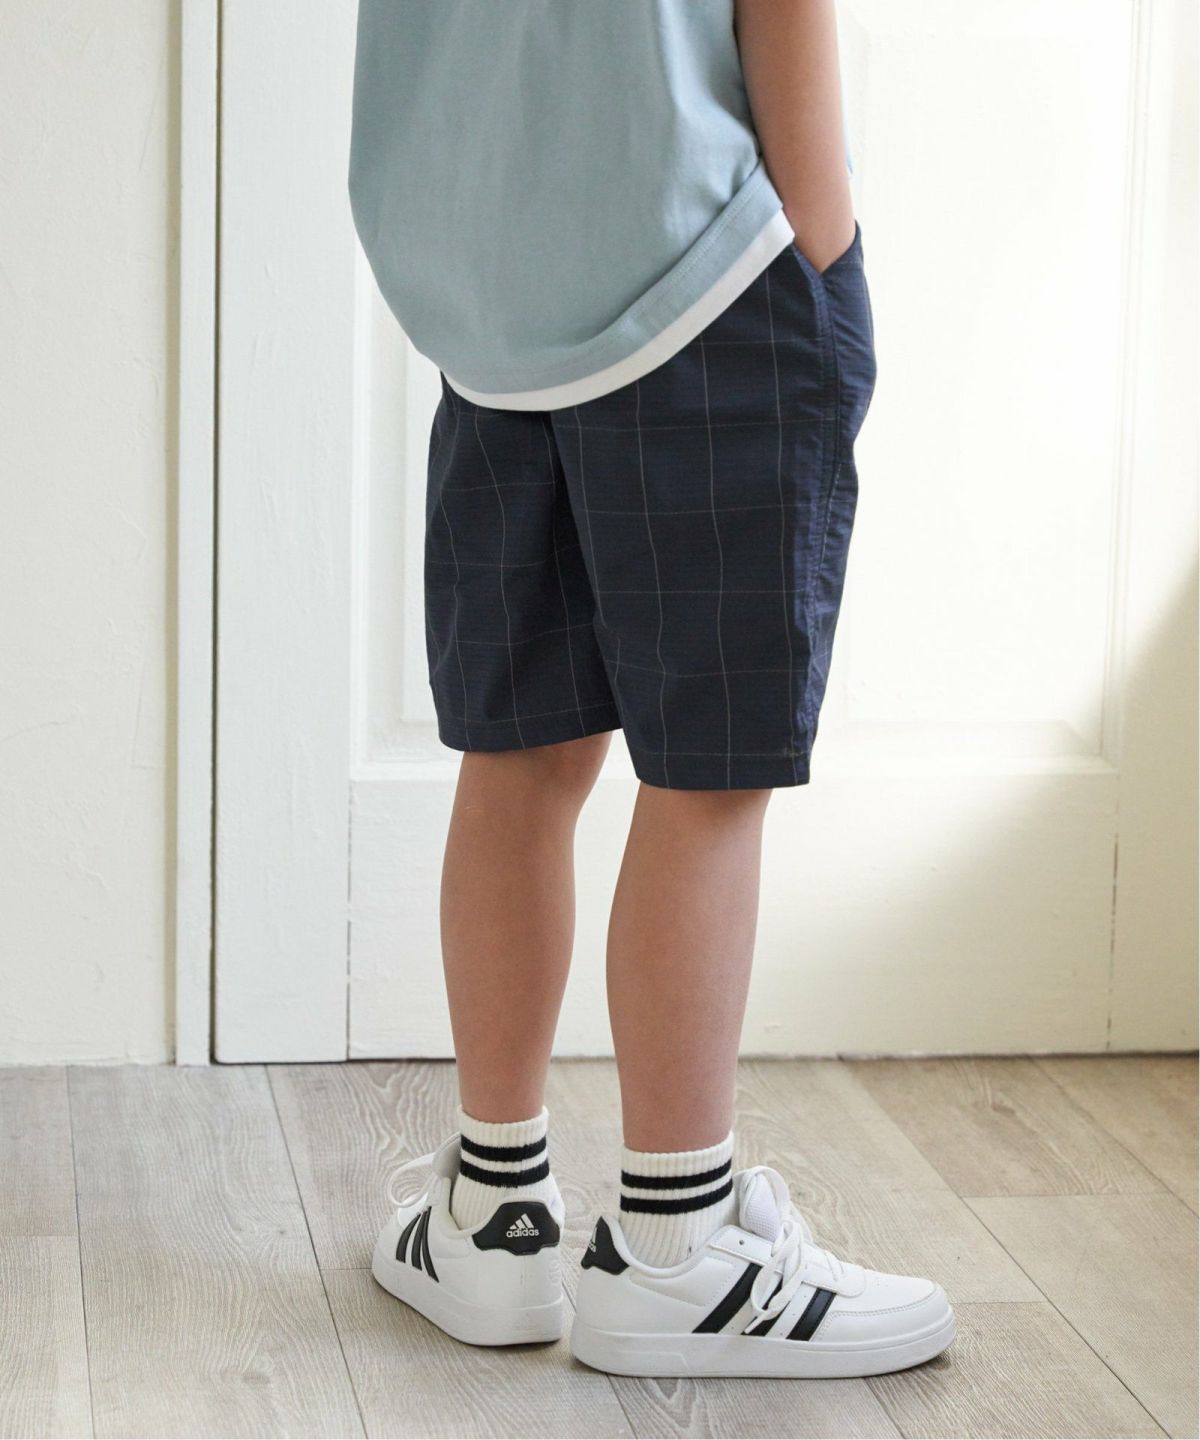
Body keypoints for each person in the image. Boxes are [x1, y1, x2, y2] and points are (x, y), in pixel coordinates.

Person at [347, 0, 953, 1378]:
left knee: (522, 752)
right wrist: (826, 247)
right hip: (701, 271)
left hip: (489, 298)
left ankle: (492, 1216)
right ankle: (677, 1250)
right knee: (707, 776)